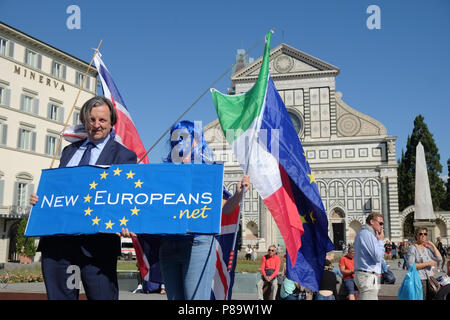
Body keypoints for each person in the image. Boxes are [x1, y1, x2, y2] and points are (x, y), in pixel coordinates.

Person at [123, 120, 250, 300]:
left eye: (186, 137)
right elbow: (149, 208)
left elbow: (225, 209)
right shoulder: (162, 174)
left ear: (197, 142)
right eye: (176, 138)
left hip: (198, 244)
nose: (180, 143)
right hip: (168, 246)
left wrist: (238, 194)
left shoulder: (207, 172)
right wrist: (130, 224)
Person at [29, 96, 137, 300]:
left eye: (102, 120)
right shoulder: (69, 152)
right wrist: (41, 200)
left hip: (97, 247)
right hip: (58, 245)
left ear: (111, 122)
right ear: (84, 121)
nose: (97, 125)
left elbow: (127, 197)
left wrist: (126, 220)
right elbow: (60, 192)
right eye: (92, 119)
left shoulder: (124, 156)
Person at [353, 212, 385, 300]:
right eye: (380, 223)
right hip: (367, 276)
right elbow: (378, 257)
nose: (382, 226)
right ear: (372, 222)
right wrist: (381, 241)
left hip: (367, 276)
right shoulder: (367, 234)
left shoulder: (365, 234)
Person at [406, 227, 442, 300]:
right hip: (419, 279)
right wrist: (428, 263)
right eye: (420, 234)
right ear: (416, 235)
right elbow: (411, 265)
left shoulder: (427, 249)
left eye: (425, 234)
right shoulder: (412, 248)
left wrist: (433, 245)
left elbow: (439, 258)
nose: (423, 235)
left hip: (430, 279)